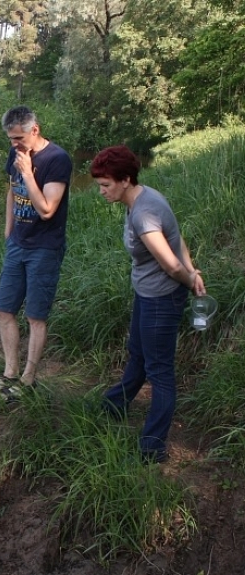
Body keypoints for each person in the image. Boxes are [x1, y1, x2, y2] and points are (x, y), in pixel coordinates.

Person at [90, 145, 206, 464]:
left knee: (160, 372)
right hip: (149, 294)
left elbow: (169, 264)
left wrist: (189, 278)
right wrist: (192, 269)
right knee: (139, 354)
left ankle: (152, 448)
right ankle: (113, 406)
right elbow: (177, 237)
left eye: (105, 185)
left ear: (125, 179)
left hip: (161, 299)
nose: (101, 191)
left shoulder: (143, 214)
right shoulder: (145, 197)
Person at [0, 106, 73, 403]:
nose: (14, 144)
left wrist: (28, 173)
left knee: (35, 316)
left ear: (34, 130)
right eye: (10, 139)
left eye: (18, 138)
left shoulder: (57, 159)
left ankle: (28, 378)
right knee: (4, 309)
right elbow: (12, 191)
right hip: (18, 244)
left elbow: (47, 209)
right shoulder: (15, 154)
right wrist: (8, 231)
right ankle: (10, 371)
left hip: (45, 247)